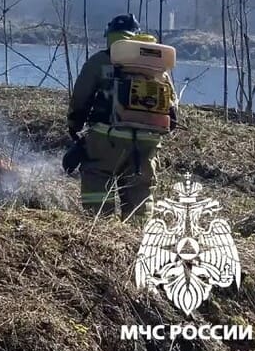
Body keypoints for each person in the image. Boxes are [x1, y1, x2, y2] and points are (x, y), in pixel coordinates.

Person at [67, 13, 177, 224]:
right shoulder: (156, 66)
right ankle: (136, 239)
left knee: (97, 180)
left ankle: (100, 231)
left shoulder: (100, 61)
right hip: (146, 142)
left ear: (110, 35)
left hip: (106, 138)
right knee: (140, 191)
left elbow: (81, 97)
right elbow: (172, 110)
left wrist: (75, 126)